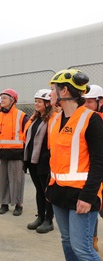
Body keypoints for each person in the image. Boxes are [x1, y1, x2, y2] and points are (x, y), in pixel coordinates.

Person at [45, 69, 103, 260]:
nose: (50, 94)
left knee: (83, 249)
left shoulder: (91, 119)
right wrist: (49, 187)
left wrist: (88, 196)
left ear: (64, 91)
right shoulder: (54, 121)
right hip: (59, 193)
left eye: (53, 89)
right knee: (67, 242)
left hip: (82, 195)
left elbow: (99, 162)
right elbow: (54, 158)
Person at [23, 89, 54, 233]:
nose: (36, 104)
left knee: (46, 191)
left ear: (48, 103)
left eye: (39, 101)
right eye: (35, 101)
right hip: (32, 161)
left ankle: (49, 220)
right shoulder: (34, 119)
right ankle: (40, 216)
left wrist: (46, 158)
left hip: (45, 163)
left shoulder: (53, 119)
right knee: (39, 191)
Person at [0, 88, 29, 216]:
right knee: (2, 179)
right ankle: (4, 203)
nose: (1, 100)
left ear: (12, 100)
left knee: (17, 180)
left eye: (4, 98)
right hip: (1, 154)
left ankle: (18, 204)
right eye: (1, 98)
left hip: (16, 153)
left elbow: (27, 135)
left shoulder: (22, 116)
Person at [83, 84, 103, 251]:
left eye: (90, 101)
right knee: (92, 212)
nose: (86, 105)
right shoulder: (84, 119)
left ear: (100, 102)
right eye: (84, 101)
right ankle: (92, 244)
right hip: (90, 174)